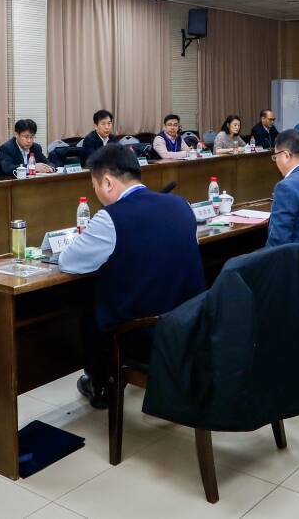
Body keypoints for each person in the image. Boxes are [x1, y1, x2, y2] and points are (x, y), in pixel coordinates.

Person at [59, 144, 205, 409]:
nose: (96, 193)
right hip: (191, 324)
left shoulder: (110, 218)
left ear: (107, 182)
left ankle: (101, 383)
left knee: (90, 307)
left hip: (147, 335)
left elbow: (68, 262)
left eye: (94, 186)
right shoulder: (181, 205)